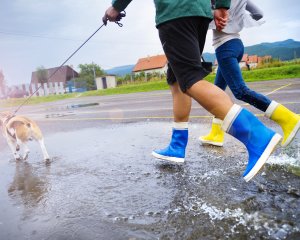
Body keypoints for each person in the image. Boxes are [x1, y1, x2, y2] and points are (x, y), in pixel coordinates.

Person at [103, 0, 282, 182]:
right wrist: (221, 5)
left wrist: (117, 6)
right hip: (199, 12)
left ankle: (258, 136)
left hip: (176, 10)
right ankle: (177, 145)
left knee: (190, 79)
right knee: (177, 79)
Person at [199, 0, 300, 148]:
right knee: (218, 91)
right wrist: (236, 17)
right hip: (237, 45)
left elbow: (201, 15)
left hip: (224, 47)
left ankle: (289, 118)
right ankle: (216, 134)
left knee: (240, 91)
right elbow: (258, 14)